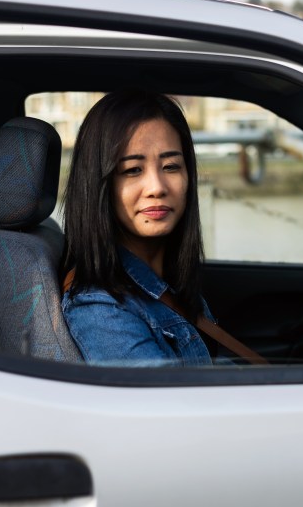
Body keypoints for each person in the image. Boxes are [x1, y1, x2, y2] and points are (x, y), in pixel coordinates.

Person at [60, 89, 214, 366]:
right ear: (100, 185)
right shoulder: (101, 309)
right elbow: (173, 408)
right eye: (133, 170)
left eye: (170, 166)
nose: (157, 187)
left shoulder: (170, 282)